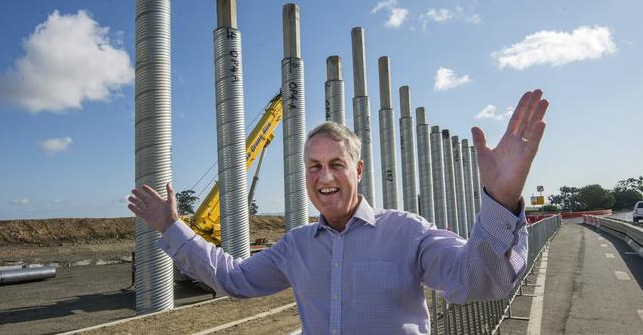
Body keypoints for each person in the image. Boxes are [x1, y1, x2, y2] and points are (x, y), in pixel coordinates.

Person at [128, 89, 549, 335]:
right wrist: (172, 226)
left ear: (358, 170)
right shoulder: (296, 246)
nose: (323, 175)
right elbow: (235, 280)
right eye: (314, 166)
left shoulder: (407, 233)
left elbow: (476, 283)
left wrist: (499, 201)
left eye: (336, 164)